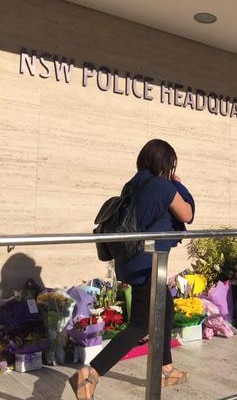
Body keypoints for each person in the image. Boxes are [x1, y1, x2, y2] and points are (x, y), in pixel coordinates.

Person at [69, 139, 195, 400]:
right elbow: (187, 213)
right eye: (171, 165)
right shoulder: (164, 186)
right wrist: (178, 183)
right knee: (140, 324)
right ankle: (91, 373)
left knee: (166, 311)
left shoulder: (132, 184)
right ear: (166, 164)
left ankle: (166, 370)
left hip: (131, 261)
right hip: (147, 265)